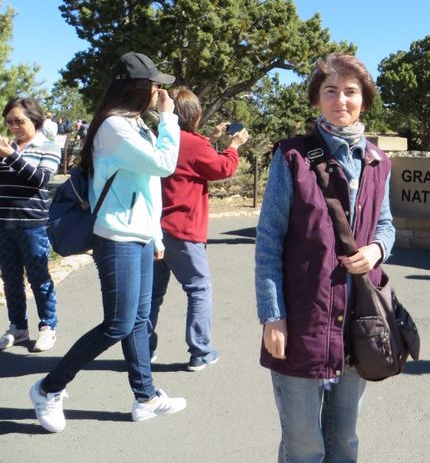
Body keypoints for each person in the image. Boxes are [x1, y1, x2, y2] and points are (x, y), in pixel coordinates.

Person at [30, 52, 187, 433]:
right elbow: (164, 165)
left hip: (139, 236)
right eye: (154, 84)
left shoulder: (134, 125)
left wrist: (155, 234)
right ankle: (48, 388)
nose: (159, 91)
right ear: (137, 87)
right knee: (117, 324)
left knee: (137, 321)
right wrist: (170, 119)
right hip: (116, 237)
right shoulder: (115, 127)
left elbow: (147, 185)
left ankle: (145, 397)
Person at [255, 53, 395, 462]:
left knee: (344, 442)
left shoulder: (377, 160)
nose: (341, 100)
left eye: (351, 92)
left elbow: (386, 224)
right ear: (317, 99)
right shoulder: (292, 157)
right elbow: (268, 242)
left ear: (364, 101)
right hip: (302, 321)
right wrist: (272, 315)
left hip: (359, 322)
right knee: (304, 447)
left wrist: (376, 249)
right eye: (330, 90)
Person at [149, 87, 250, 370]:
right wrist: (234, 146)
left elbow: (191, 155)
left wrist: (213, 138)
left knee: (153, 294)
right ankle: (200, 351)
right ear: (195, 115)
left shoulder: (161, 139)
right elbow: (222, 168)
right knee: (199, 289)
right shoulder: (194, 144)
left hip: (156, 228)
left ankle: (143, 349)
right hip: (183, 230)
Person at [0, 98, 61, 353]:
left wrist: (12, 156)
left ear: (33, 120)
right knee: (10, 279)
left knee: (39, 278)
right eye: (9, 122)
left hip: (33, 225)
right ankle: (18, 326)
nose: (14, 126)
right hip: (4, 224)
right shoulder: (7, 147)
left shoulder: (48, 147)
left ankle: (48, 327)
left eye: (19, 121)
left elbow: (39, 180)